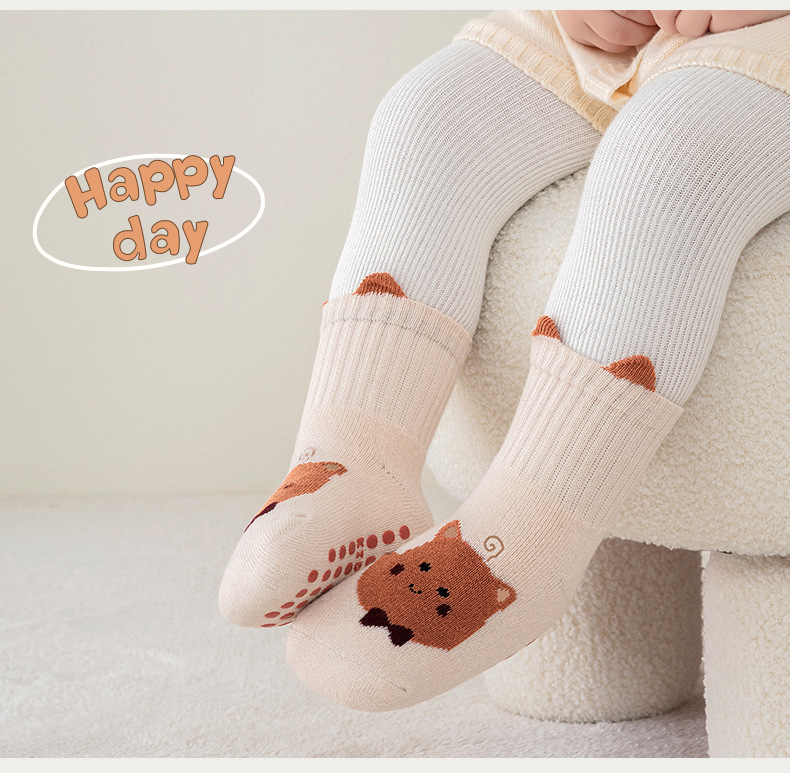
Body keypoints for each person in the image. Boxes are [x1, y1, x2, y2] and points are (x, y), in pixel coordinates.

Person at [219, 9, 790, 710]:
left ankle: (524, 541)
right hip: (622, 34)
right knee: (425, 118)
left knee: (666, 160)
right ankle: (351, 459)